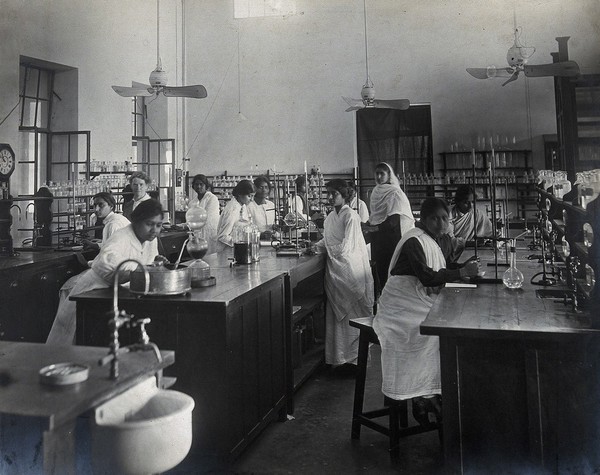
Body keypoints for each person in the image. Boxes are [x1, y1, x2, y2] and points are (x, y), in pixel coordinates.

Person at [372, 197, 480, 425]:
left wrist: (463, 268)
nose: (441, 223)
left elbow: (440, 268)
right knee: (432, 332)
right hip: (398, 304)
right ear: (424, 219)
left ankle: (428, 394)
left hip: (414, 297)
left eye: (444, 218)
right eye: (435, 219)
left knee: (443, 323)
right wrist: (461, 273)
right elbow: (427, 276)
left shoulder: (431, 239)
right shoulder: (414, 240)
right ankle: (424, 395)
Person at [47, 199, 167, 345]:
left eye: (158, 225)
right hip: (93, 290)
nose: (154, 230)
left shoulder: (150, 239)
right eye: (149, 224)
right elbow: (106, 263)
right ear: (136, 221)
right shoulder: (121, 237)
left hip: (116, 293)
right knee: (72, 339)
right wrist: (139, 270)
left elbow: (144, 264)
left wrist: (154, 263)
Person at [314, 179, 374, 367]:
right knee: (337, 318)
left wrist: (328, 250)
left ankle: (355, 361)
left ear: (344, 194)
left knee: (352, 314)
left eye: (335, 193)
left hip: (350, 269)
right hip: (335, 271)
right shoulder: (331, 217)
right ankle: (339, 359)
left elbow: (347, 247)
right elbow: (327, 240)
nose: (331, 197)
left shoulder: (351, 216)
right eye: (328, 193)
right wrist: (314, 247)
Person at [363, 162, 415, 289]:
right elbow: (376, 216)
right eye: (377, 173)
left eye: (382, 173)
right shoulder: (376, 191)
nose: (379, 177)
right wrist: (366, 225)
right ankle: (381, 296)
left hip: (391, 237)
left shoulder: (395, 193)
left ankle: (390, 297)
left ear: (389, 175)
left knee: (389, 268)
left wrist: (373, 228)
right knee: (379, 268)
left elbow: (394, 221)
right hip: (378, 238)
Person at [216, 179, 255, 251]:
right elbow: (222, 236)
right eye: (249, 196)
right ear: (240, 194)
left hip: (237, 249)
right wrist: (241, 244)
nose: (252, 199)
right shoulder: (232, 210)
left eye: (253, 196)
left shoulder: (242, 206)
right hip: (226, 251)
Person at [187, 174, 220, 255]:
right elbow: (189, 219)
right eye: (196, 184)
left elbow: (207, 218)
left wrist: (191, 223)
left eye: (201, 184)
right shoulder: (192, 203)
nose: (198, 186)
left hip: (210, 234)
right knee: (199, 258)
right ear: (193, 187)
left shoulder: (212, 198)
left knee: (211, 259)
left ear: (206, 186)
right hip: (197, 236)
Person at [247, 175, 277, 240]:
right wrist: (260, 235)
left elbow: (275, 223)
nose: (264, 190)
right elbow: (245, 228)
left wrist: (275, 227)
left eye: (266, 187)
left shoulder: (271, 205)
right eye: (261, 187)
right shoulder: (249, 206)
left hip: (271, 241)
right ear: (255, 189)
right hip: (254, 240)